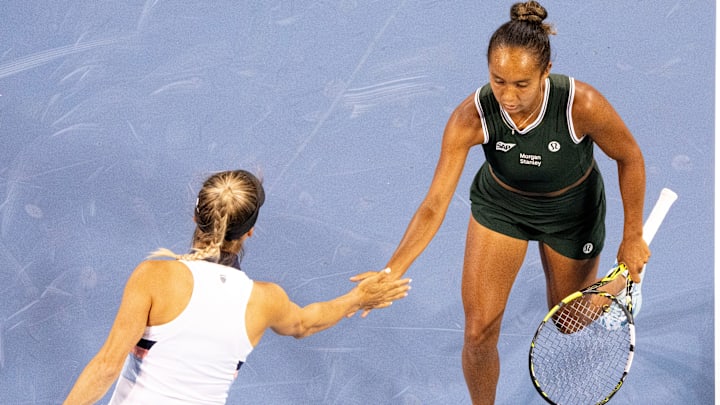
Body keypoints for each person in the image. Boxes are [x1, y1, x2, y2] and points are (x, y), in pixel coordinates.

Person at [352, 2, 649, 404]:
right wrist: (392, 270)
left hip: (571, 215)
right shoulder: (471, 117)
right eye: (498, 81)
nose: (508, 95)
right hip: (502, 209)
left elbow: (629, 157)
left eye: (522, 84)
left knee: (569, 321)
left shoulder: (582, 105)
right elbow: (434, 205)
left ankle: (622, 280)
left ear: (545, 73)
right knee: (477, 333)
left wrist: (632, 234)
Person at [63, 169, 411, 405]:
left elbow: (107, 366)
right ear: (249, 232)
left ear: (196, 216)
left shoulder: (154, 277)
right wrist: (358, 297)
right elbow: (308, 322)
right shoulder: (265, 301)